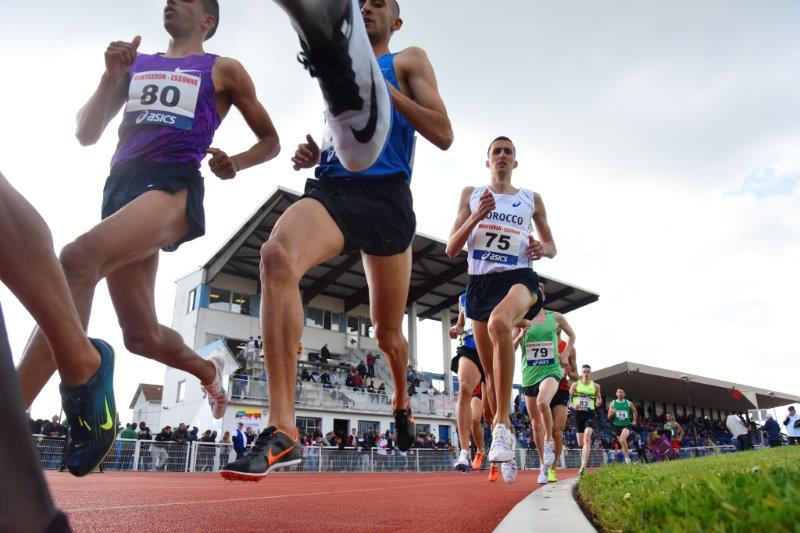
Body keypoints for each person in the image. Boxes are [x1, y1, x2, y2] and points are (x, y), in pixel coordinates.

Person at [16, 1, 281, 426]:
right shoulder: (136, 63)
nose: (171, 2)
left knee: (77, 259)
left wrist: (237, 162)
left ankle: (13, 412)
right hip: (120, 187)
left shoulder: (224, 69)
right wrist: (110, 76)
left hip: (173, 184)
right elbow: (86, 132)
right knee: (140, 336)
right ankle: (208, 371)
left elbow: (270, 140)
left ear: (207, 20)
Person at [221, 0, 453, 481]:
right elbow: (346, 136)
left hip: (387, 200)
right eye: (361, 1)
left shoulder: (407, 59)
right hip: (334, 189)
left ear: (396, 20)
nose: (367, 7)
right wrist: (316, 151)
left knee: (387, 332)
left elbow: (443, 132)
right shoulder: (337, 70)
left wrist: (386, 93)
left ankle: (401, 398)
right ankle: (283, 428)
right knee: (276, 255)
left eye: (379, 3)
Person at [446, 136, 556, 468]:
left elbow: (551, 245)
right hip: (480, 282)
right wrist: (475, 216)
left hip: (519, 278)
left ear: (515, 162)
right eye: (497, 152)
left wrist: (542, 250)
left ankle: (502, 426)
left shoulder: (530, 199)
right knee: (492, 380)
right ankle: (504, 450)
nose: (503, 156)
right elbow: (451, 248)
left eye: (508, 152)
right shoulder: (472, 194)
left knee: (499, 322)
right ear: (488, 161)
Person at [515, 281, 575, 484]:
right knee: (535, 424)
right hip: (529, 376)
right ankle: (543, 465)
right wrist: (520, 335)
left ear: (543, 296)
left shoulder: (555, 317)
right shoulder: (519, 320)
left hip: (552, 374)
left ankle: (553, 464)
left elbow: (572, 335)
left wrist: (565, 354)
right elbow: (509, 348)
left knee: (552, 421)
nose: (535, 295)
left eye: (538, 292)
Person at [449, 293, 491, 474]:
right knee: (464, 390)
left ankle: (505, 454)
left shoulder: (500, 289)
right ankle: (466, 452)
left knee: (490, 416)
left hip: (491, 352)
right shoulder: (463, 298)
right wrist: (456, 329)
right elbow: (461, 324)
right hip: (470, 349)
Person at [547, 340, 577, 482]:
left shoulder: (568, 347)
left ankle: (553, 468)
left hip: (561, 389)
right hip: (542, 387)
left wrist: (568, 369)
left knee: (557, 432)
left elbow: (575, 375)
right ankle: (543, 465)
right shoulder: (540, 338)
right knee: (542, 429)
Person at [569, 364, 602, 476]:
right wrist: (573, 405)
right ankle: (585, 454)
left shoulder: (596, 386)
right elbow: (570, 401)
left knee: (587, 439)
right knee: (580, 443)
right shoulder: (575, 385)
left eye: (588, 371)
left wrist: (598, 401)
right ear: (581, 373)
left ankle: (583, 466)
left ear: (590, 373)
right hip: (578, 415)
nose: (586, 374)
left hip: (590, 414)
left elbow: (599, 398)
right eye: (584, 372)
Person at [608, 388, 638, 465]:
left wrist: (634, 420)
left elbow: (634, 411)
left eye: (622, 392)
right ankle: (627, 459)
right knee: (622, 443)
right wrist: (612, 413)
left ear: (624, 394)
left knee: (622, 439)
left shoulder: (628, 403)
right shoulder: (612, 403)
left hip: (627, 424)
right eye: (619, 392)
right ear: (616, 394)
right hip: (616, 426)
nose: (620, 394)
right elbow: (608, 416)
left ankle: (627, 459)